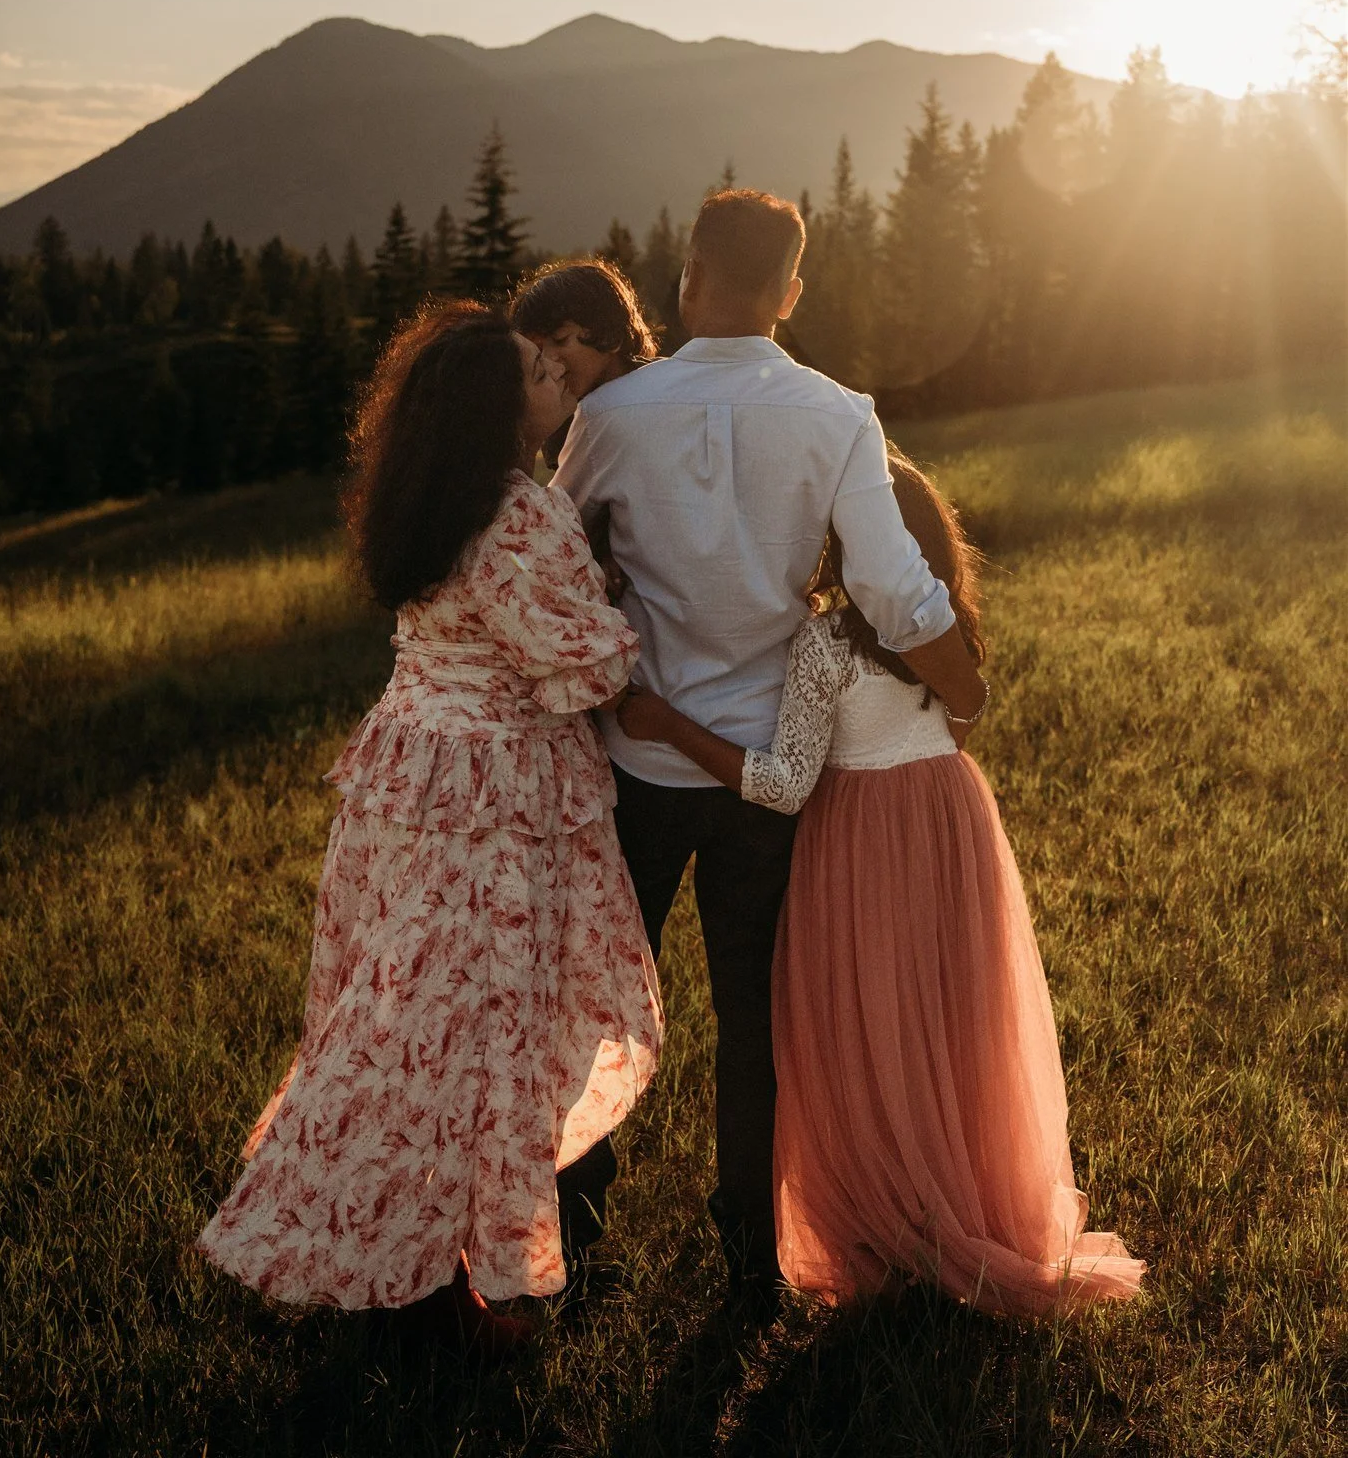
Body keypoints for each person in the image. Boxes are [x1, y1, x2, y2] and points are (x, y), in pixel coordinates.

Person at [552, 189, 987, 1314]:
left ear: (688, 278)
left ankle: (570, 1238)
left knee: (595, 1003)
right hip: (769, 769)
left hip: (635, 760)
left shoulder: (610, 415)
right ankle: (750, 1255)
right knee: (759, 1019)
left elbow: (553, 560)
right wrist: (963, 686)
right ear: (790, 294)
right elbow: (889, 585)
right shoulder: (839, 414)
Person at [198, 303, 662, 1355]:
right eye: (539, 369)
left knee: (400, 1020)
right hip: (494, 795)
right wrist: (618, 604)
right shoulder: (523, 514)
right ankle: (448, 1280)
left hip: (407, 776)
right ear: (497, 410)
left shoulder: (423, 500)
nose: (559, 375)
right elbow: (585, 664)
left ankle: (404, 1258)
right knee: (489, 1031)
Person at [617, 455, 1145, 1317]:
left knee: (872, 1024)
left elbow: (785, 783)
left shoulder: (825, 643)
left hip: (863, 840)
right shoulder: (944, 627)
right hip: (946, 822)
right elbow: (963, 717)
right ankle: (962, 1196)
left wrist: (667, 723)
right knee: (951, 1019)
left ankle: (898, 1209)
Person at [511, 257, 658, 468]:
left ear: (609, 335)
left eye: (560, 340)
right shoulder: (562, 418)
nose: (549, 359)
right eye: (539, 351)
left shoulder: (664, 389)